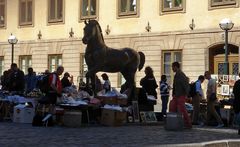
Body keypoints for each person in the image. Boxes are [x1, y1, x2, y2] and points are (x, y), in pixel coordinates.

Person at [169, 62, 192, 129]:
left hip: (181, 95)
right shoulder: (177, 74)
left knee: (182, 109)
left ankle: (188, 123)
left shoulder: (181, 75)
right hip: (176, 95)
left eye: (173, 67)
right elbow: (175, 85)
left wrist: (187, 95)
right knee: (172, 107)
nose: (172, 68)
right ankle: (173, 122)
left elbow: (186, 85)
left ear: (176, 67)